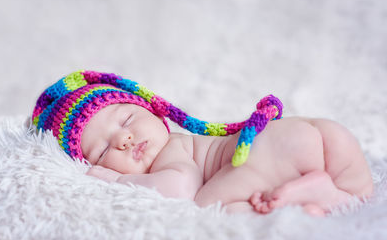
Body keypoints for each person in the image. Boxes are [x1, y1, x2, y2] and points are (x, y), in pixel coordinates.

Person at [32, 70, 373, 216]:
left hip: (260, 151)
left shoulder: (173, 152)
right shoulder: (174, 146)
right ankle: (326, 194)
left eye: (126, 120)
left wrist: (120, 179)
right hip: (315, 133)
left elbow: (181, 188)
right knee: (361, 196)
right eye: (103, 150)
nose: (124, 139)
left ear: (154, 112)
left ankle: (302, 198)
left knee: (209, 205)